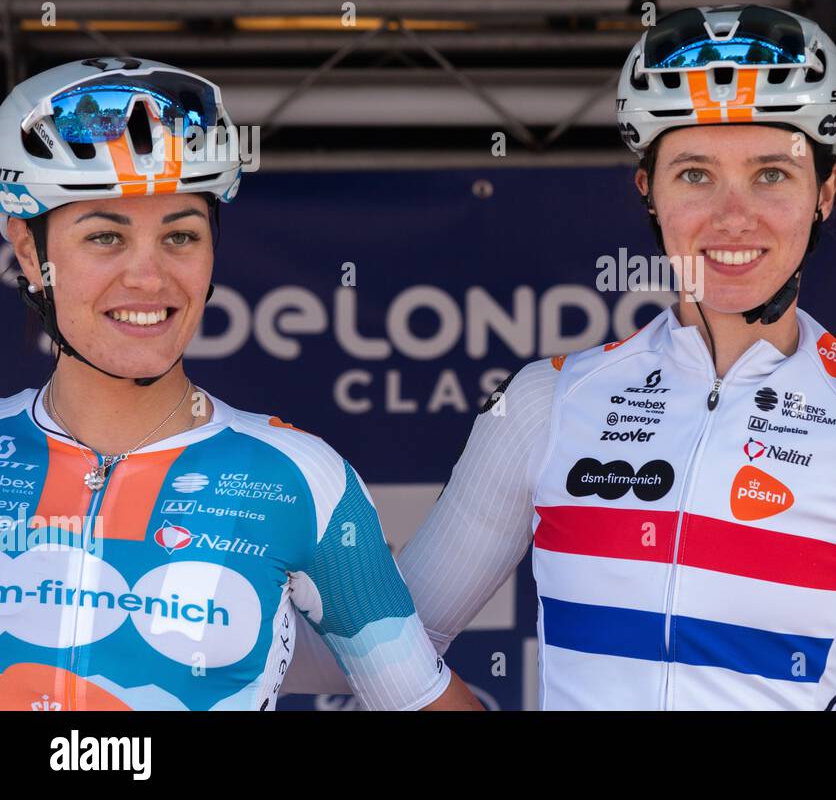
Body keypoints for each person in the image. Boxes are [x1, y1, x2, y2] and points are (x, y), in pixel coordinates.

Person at [292, 6, 836, 709]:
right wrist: (214, 595)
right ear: (647, 193)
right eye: (694, 174)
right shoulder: (544, 405)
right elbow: (377, 652)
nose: (732, 216)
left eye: (772, 174)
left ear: (826, 194)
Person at [0, 57, 479, 710]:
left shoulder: (299, 478)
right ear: (29, 251)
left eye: (181, 236)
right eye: (106, 236)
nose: (148, 277)